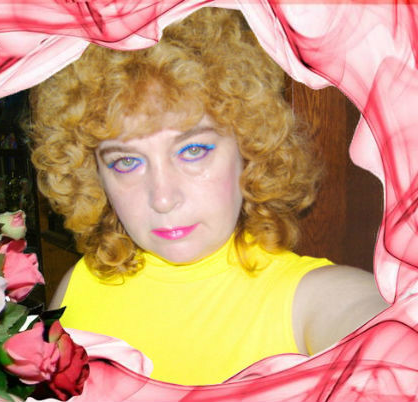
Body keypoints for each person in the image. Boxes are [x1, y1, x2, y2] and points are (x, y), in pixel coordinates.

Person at [28, 7, 388, 386]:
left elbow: (381, 334)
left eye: (193, 150)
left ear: (248, 149)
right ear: (93, 174)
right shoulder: (77, 287)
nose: (163, 199)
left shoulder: (308, 303)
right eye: (127, 162)